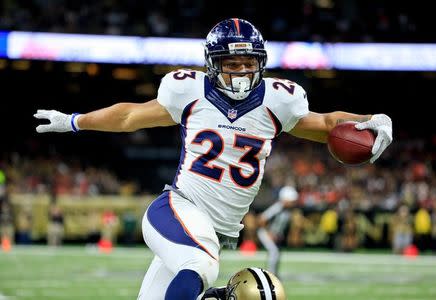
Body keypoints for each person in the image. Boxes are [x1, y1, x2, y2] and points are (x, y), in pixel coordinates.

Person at [34, 18, 393, 300]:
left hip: (217, 229)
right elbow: (129, 116)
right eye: (230, 63)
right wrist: (74, 121)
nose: (239, 72)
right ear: (211, 64)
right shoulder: (187, 91)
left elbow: (329, 124)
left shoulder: (279, 100)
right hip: (177, 209)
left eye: (247, 62)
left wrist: (371, 121)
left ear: (261, 63)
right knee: (200, 264)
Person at [257, 183, 299, 277]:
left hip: (274, 234)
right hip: (265, 233)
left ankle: (274, 274)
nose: (293, 202)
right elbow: (262, 219)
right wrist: (269, 232)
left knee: (276, 253)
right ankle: (271, 275)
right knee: (274, 252)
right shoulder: (277, 207)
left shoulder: (288, 209)